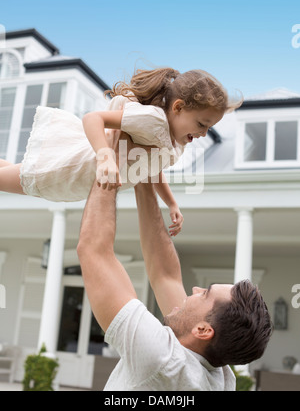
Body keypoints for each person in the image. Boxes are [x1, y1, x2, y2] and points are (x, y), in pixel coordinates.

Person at [77, 132, 273, 391]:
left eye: (205, 294)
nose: (195, 289)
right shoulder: (220, 377)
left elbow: (94, 249)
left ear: (203, 330)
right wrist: (144, 172)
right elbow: (165, 275)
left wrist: (112, 150)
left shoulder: (162, 359)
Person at [0, 67, 240, 236]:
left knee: (9, 171)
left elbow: (151, 170)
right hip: (70, 171)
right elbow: (93, 118)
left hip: (77, 180)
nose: (204, 133)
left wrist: (171, 203)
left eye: (209, 127)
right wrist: (105, 157)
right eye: (201, 124)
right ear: (178, 107)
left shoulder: (172, 142)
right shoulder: (153, 120)